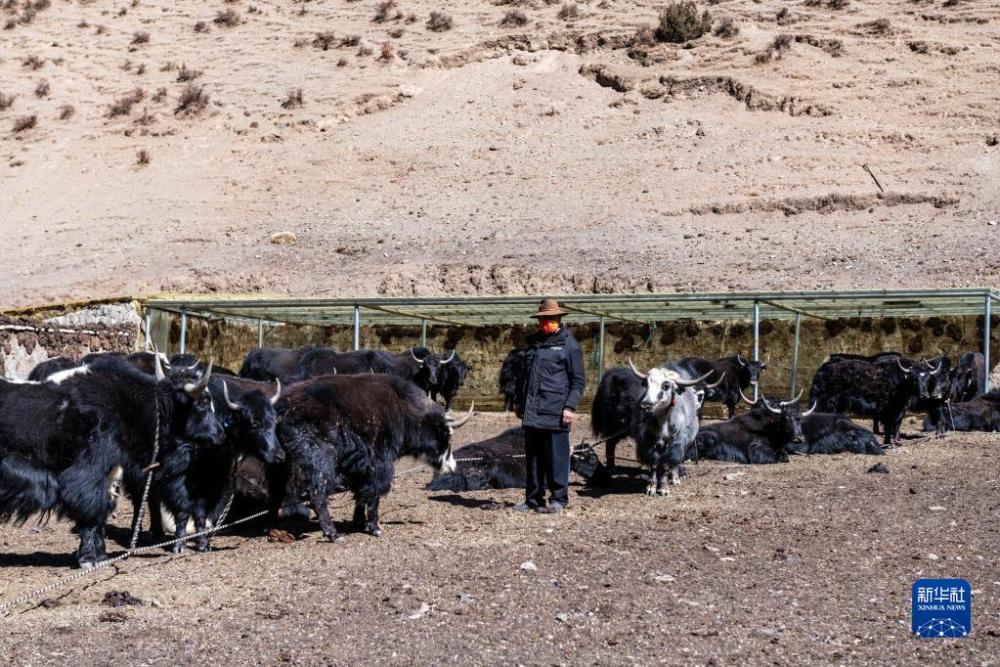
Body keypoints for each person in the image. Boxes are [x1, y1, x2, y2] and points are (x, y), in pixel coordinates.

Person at [514, 298, 586, 514]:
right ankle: (533, 499)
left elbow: (578, 381)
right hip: (533, 411)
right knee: (534, 458)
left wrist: (570, 407)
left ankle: (559, 500)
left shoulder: (569, 346)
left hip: (556, 412)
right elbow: (525, 378)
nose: (547, 323)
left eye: (551, 319)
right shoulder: (533, 344)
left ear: (559, 319)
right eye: (543, 319)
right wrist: (520, 402)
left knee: (558, 458)